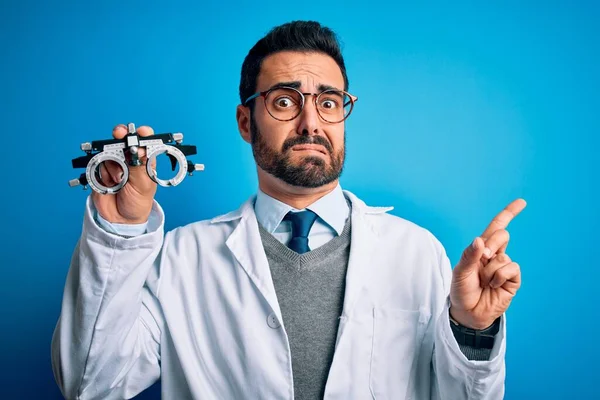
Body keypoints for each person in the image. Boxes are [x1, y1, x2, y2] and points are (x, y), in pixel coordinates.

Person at [51, 20, 526, 400]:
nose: (310, 123)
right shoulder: (180, 259)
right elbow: (91, 386)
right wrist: (120, 231)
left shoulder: (417, 251)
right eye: (284, 101)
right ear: (245, 121)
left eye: (328, 102)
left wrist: (474, 329)